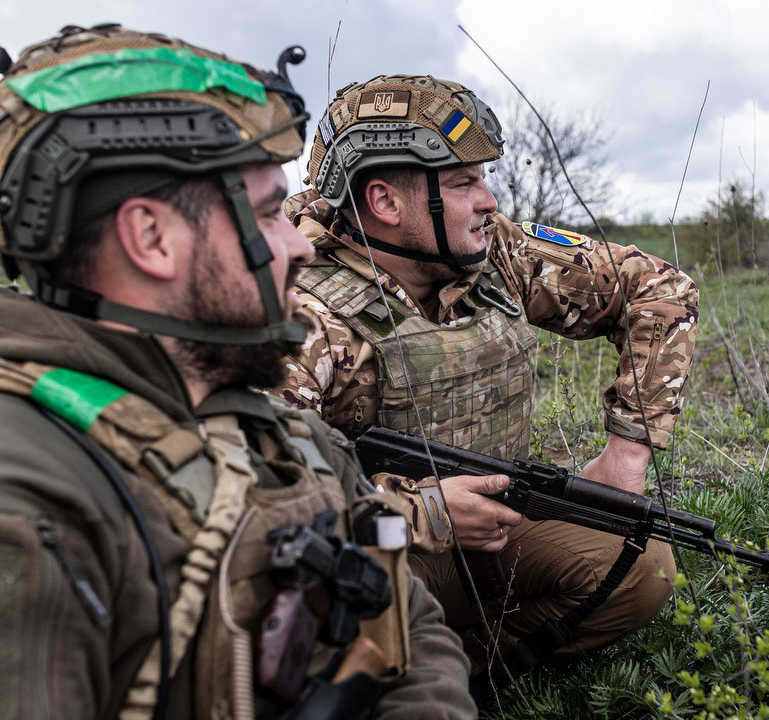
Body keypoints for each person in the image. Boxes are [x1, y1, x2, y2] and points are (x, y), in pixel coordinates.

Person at [0, 28, 473, 720]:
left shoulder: (286, 435)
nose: (298, 243)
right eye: (268, 214)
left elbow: (414, 636)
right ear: (150, 238)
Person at [271, 75, 700, 677]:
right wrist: (422, 512)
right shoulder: (300, 318)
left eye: (483, 177)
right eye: (462, 182)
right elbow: (255, 501)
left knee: (640, 563)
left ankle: (458, 675)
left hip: (492, 531)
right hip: (371, 556)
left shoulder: (492, 253)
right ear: (385, 203)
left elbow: (657, 288)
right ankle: (381, 677)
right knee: (297, 617)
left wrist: (628, 451)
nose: (489, 200)